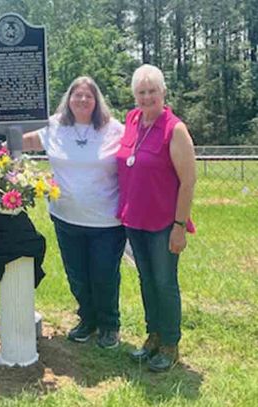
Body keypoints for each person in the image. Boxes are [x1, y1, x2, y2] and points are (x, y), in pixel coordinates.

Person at [20, 76, 126, 349]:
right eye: (76, 95)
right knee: (77, 275)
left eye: (88, 95)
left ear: (96, 100)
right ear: (68, 99)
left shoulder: (114, 129)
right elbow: (25, 141)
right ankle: (87, 320)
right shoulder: (55, 126)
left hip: (106, 221)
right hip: (65, 217)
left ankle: (109, 325)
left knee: (104, 275)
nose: (82, 100)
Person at [116, 64, 196, 372]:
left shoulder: (174, 129)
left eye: (152, 91)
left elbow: (188, 181)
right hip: (134, 220)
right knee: (146, 281)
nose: (147, 97)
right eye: (141, 92)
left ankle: (170, 344)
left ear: (163, 92)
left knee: (164, 282)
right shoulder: (132, 120)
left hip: (164, 223)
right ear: (134, 95)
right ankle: (153, 335)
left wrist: (179, 226)